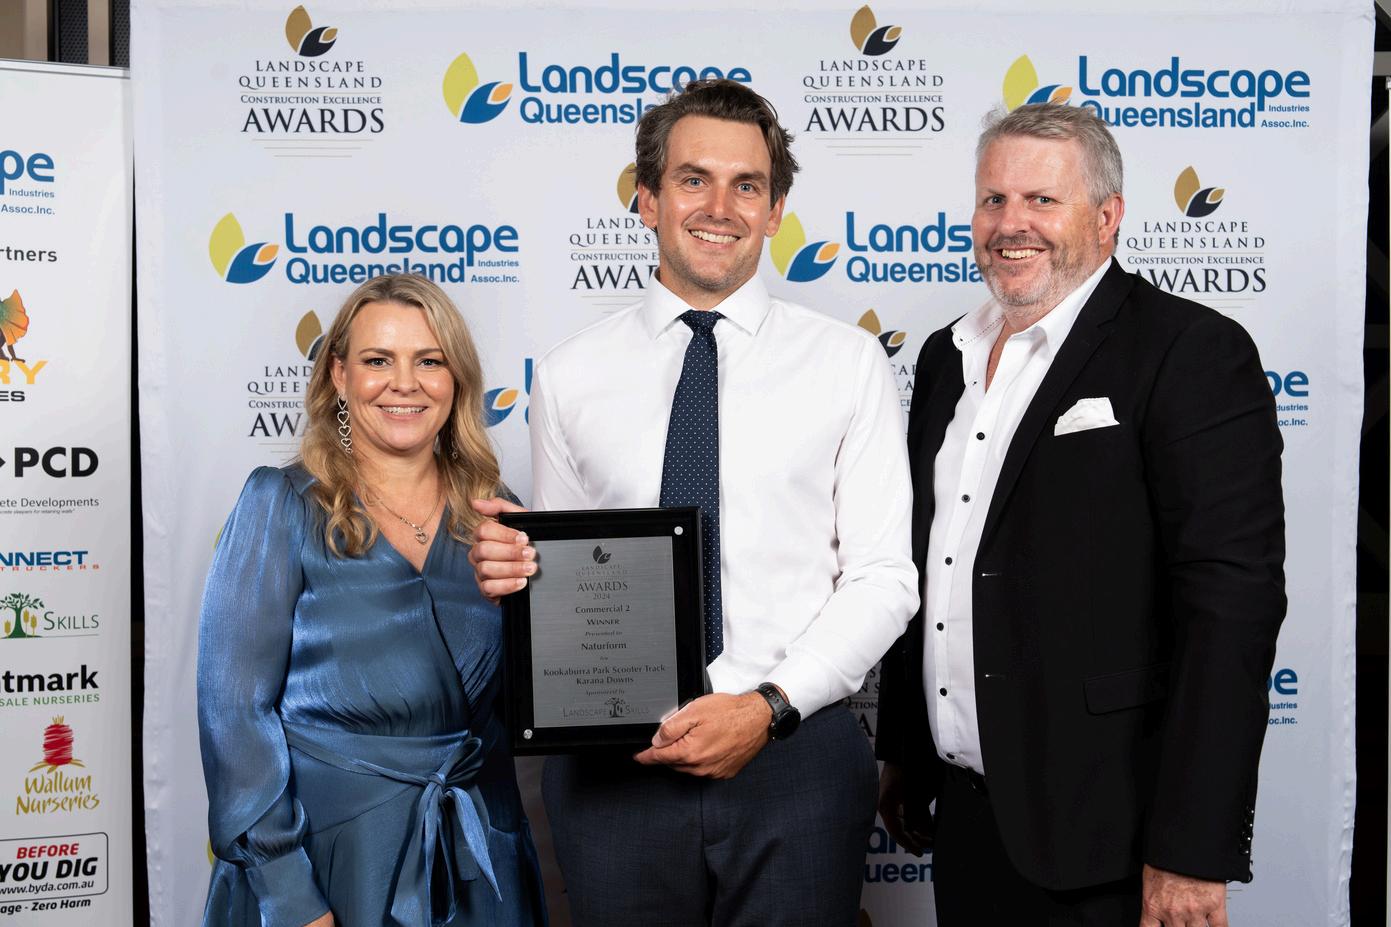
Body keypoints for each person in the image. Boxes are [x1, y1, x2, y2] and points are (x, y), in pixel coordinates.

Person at [470, 79, 918, 926]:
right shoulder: (570, 375)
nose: (719, 207)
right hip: (615, 767)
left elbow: (883, 576)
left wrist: (765, 707)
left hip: (795, 755)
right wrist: (518, 573)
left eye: (747, 185)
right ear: (646, 199)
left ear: (775, 210)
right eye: (692, 179)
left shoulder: (847, 363)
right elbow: (569, 585)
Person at [875, 103, 1286, 926]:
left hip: (1111, 836)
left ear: (1106, 218)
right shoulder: (945, 356)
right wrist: (905, 753)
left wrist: (1190, 846)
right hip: (967, 819)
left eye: (1041, 200)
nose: (1010, 224)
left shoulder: (1188, 350)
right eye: (993, 199)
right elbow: (935, 564)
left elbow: (1229, 610)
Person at [198, 274, 547, 927]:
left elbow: (531, 710)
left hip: (477, 860)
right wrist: (287, 893)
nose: (404, 383)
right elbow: (234, 714)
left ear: (456, 378)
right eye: (378, 360)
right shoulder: (280, 503)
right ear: (339, 374)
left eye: (429, 361)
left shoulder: (497, 517)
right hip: (330, 862)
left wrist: (542, 609)